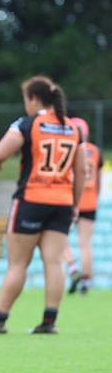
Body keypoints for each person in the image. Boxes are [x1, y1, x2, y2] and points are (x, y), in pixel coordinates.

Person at [0, 75, 86, 334]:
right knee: (54, 263)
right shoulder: (73, 129)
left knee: (18, 264)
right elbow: (81, 171)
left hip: (31, 200)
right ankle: (49, 321)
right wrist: (75, 203)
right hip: (62, 202)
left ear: (34, 99)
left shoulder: (27, 124)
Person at [63, 117, 103, 295]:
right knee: (85, 244)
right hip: (90, 202)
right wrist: (96, 197)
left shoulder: (69, 148)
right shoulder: (96, 151)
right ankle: (86, 281)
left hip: (71, 200)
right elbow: (99, 180)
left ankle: (72, 267)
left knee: (60, 237)